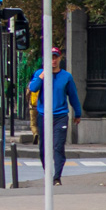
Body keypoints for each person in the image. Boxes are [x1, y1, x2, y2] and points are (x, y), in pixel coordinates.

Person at [28, 47, 82, 185]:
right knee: (43, 148)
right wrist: (43, 75)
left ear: (60, 58)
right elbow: (33, 88)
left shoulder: (66, 76)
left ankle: (57, 177)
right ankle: (48, 173)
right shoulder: (40, 73)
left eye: (55, 57)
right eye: (51, 57)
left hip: (60, 116)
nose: (53, 60)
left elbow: (73, 95)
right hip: (43, 116)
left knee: (58, 146)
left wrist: (78, 113)